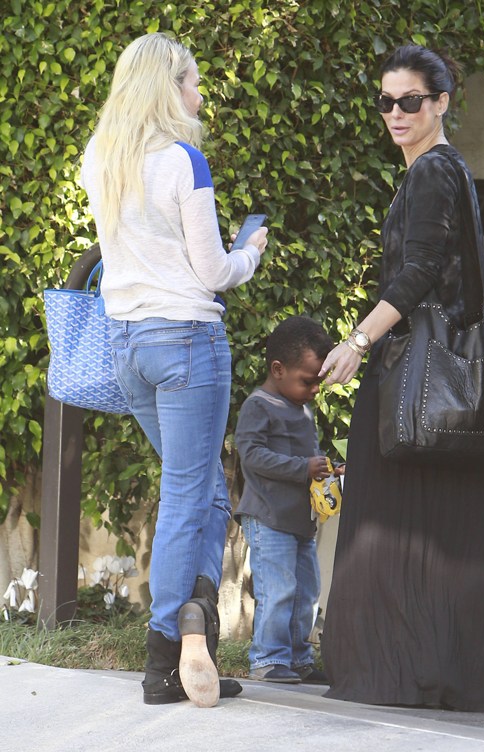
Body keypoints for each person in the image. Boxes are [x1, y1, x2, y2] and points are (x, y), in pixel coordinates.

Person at [318, 44, 484, 712]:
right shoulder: (440, 169)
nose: (395, 113)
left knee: (397, 523)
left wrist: (358, 341)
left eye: (409, 100)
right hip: (440, 383)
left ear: (441, 102)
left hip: (421, 381)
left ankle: (408, 673)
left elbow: (420, 272)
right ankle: (445, 674)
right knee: (442, 526)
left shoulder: (434, 171)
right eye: (386, 101)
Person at [80, 32, 268, 708]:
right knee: (191, 494)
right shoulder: (184, 161)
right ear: (169, 86)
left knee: (207, 490)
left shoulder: (100, 158)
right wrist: (251, 253)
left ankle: (198, 630)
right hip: (187, 339)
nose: (199, 91)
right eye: (191, 80)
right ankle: (164, 657)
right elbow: (212, 271)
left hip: (127, 344)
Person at [234, 316, 339, 685]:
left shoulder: (303, 409)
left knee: (305, 592)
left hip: (300, 520)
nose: (314, 389)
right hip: (269, 518)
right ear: (278, 369)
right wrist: (303, 467)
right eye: (307, 381)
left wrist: (327, 467)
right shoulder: (259, 406)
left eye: (318, 381)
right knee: (278, 590)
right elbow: (252, 455)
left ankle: (298, 659)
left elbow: (307, 457)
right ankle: (268, 659)